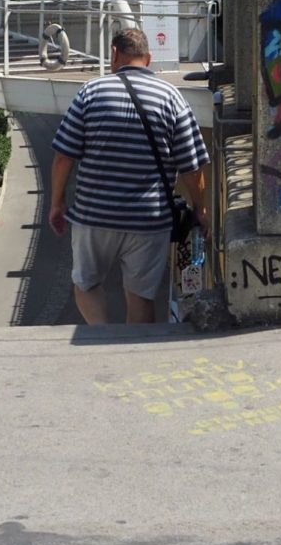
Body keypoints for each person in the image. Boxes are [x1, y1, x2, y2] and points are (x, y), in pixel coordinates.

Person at [48, 26, 210, 325]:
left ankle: (103, 335)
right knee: (141, 296)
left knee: (86, 285)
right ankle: (132, 352)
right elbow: (192, 166)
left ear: (114, 55)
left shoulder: (91, 92)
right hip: (149, 219)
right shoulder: (172, 97)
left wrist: (57, 203)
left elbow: (63, 157)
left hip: (94, 215)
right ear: (148, 59)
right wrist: (200, 209)